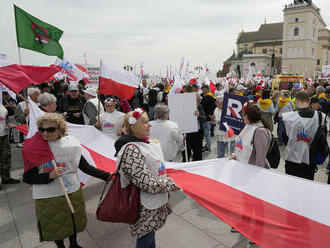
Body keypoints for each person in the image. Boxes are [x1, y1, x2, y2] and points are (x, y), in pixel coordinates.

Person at [22, 113, 110, 248]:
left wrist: (107, 176)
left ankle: (74, 244)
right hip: (48, 196)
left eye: (50, 129)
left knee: (72, 220)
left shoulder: (71, 144)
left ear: (60, 129)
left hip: (72, 191)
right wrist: (48, 176)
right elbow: (27, 177)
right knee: (55, 225)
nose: (45, 133)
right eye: (42, 129)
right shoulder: (34, 148)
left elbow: (84, 166)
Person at [114, 108, 180, 248]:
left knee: (150, 236)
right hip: (143, 205)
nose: (149, 124)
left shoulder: (147, 142)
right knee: (145, 239)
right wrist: (169, 184)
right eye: (144, 122)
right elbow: (147, 184)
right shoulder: (131, 149)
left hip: (153, 201)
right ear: (133, 126)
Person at [282, 91, 319, 180]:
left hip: (292, 157)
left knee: (291, 184)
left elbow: (285, 137)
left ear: (297, 101)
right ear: (309, 101)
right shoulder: (319, 116)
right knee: (307, 186)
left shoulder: (289, 117)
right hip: (310, 158)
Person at [230, 102, 272, 168]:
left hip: (251, 171)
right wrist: (235, 156)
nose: (242, 116)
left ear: (248, 116)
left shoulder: (260, 132)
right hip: (243, 167)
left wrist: (256, 175)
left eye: (243, 114)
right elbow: (241, 146)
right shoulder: (248, 126)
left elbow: (260, 159)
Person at [0, 103, 20, 189]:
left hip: (3, 134)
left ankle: (6, 177)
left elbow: (4, 116)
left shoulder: (1, 104)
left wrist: (8, 123)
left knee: (6, 156)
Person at [200, 84, 216, 152]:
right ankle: (208, 145)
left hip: (206, 118)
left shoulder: (207, 97)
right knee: (208, 132)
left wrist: (209, 115)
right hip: (209, 117)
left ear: (206, 89)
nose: (202, 91)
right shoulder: (212, 96)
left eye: (203, 89)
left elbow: (205, 108)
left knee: (207, 133)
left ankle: (208, 147)